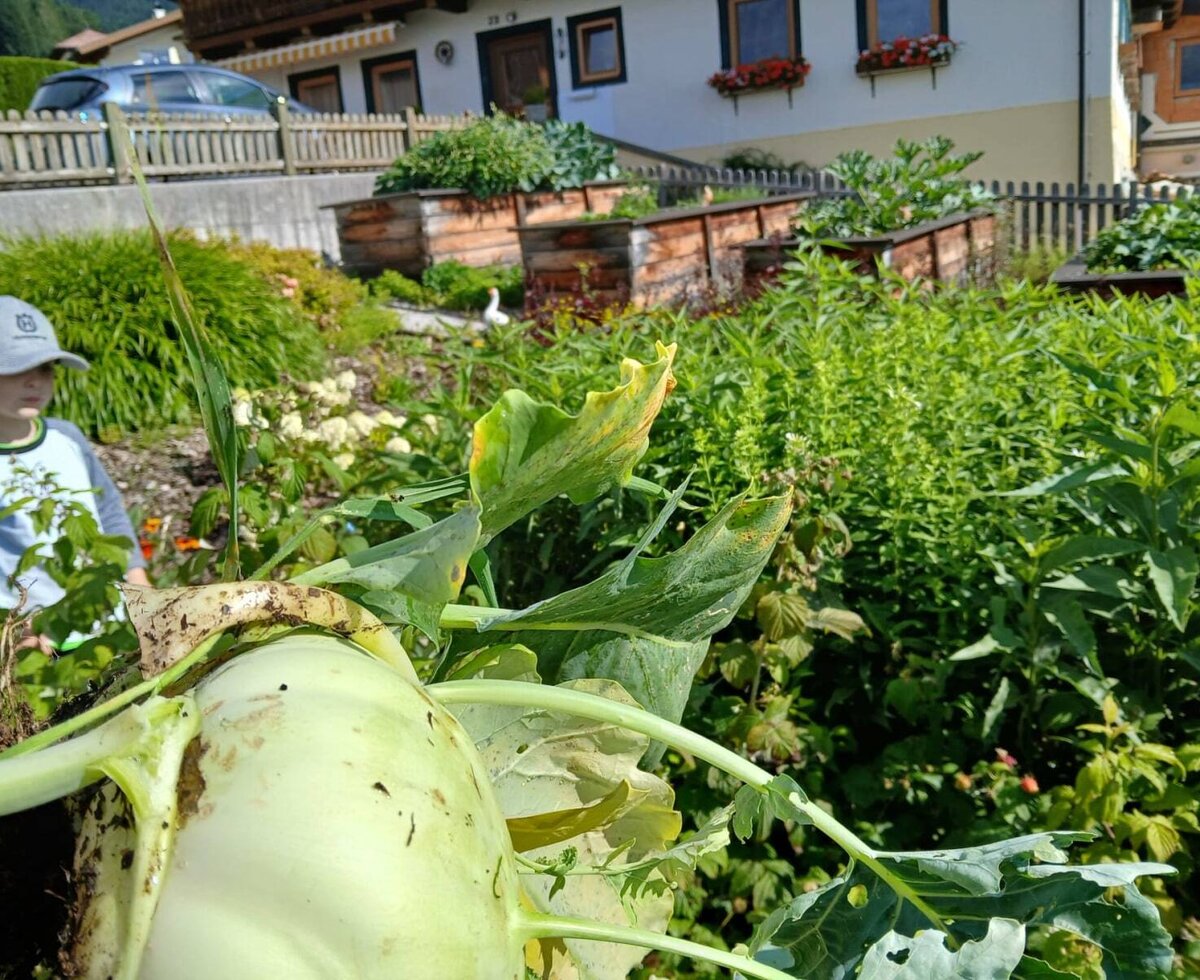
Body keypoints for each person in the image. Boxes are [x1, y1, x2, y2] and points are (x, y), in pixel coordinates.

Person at [0, 296, 149, 651]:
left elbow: (108, 510)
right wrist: (14, 626)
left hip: (105, 622)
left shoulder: (66, 436)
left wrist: (138, 582)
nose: (35, 382)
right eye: (17, 369)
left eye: (46, 369)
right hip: (34, 638)